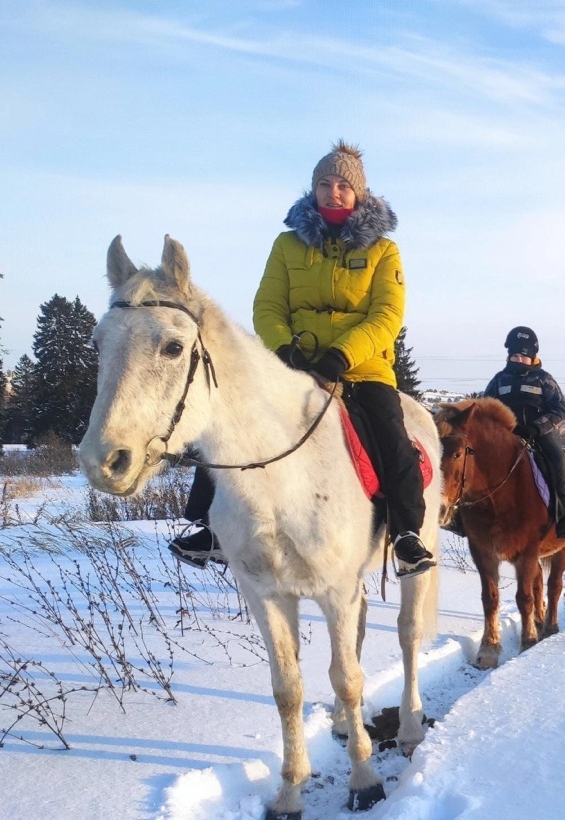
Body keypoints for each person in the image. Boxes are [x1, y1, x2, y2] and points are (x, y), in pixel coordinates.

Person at [170, 141, 434, 577]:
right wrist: (284, 349)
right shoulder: (287, 245)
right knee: (234, 422)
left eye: (343, 186)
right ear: (312, 190)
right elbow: (268, 305)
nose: (333, 192)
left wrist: (341, 355)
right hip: (292, 364)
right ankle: (213, 527)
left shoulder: (384, 252)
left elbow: (387, 316)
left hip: (362, 367)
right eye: (325, 184)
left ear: (359, 195)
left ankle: (406, 534)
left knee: (390, 435)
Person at [484, 326, 565, 539]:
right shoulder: (499, 379)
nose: (518, 359)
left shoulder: (544, 379)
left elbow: (559, 409)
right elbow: (485, 406)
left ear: (532, 357)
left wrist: (536, 427)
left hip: (539, 434)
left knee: (559, 460)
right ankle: (464, 515)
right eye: (514, 355)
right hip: (505, 437)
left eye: (523, 356)